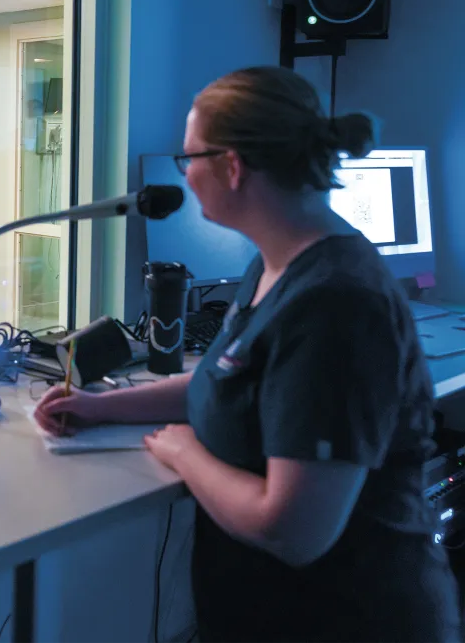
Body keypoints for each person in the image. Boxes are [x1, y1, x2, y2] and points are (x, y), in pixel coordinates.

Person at [34, 67, 460, 643]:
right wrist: (98, 406)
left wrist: (185, 453)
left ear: (232, 166)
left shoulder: (336, 302)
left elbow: (291, 529)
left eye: (190, 159)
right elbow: (223, 380)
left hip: (350, 619)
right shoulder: (271, 264)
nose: (184, 173)